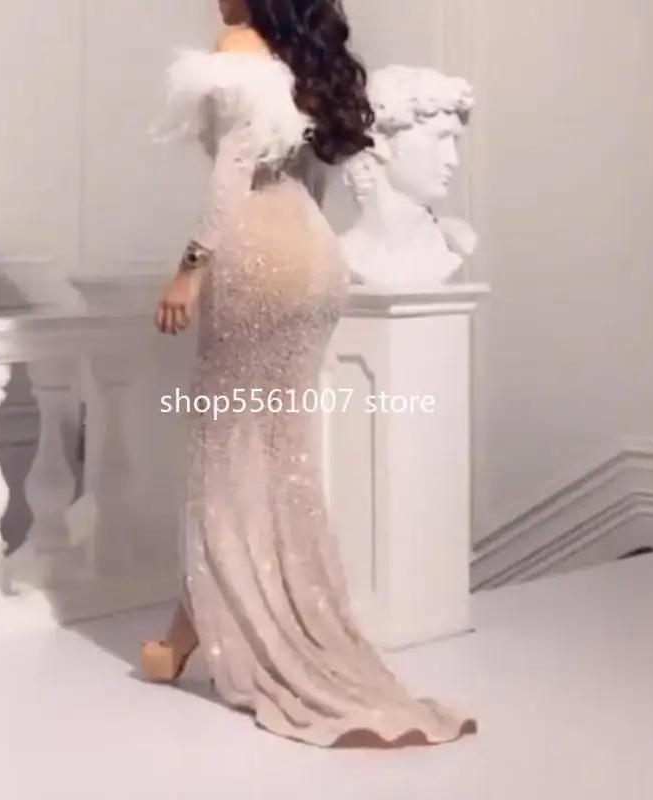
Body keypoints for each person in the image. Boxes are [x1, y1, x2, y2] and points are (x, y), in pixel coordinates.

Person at [143, 0, 477, 748]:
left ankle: (223, 625)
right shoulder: (306, 61)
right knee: (277, 451)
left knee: (226, 449)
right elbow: (313, 178)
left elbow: (232, 175)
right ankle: (191, 630)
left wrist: (189, 269)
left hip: (255, 253)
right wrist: (307, 248)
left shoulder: (237, 45)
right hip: (315, 256)